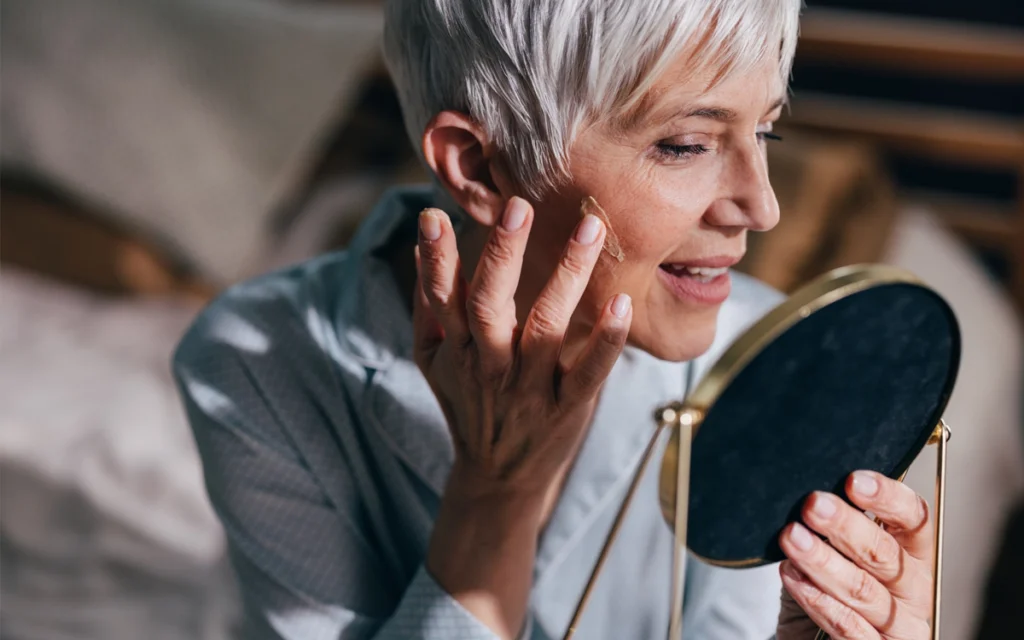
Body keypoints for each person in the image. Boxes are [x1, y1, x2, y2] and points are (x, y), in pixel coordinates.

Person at [173, 1, 938, 638]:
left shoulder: (772, 363)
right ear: (478, 166)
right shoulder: (254, 361)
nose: (761, 206)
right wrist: (496, 490)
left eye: (765, 131)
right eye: (685, 144)